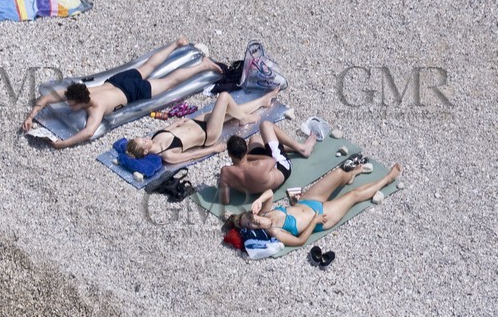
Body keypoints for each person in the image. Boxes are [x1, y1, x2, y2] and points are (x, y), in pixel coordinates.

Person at [20, 39, 223, 148]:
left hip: (132, 91)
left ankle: (203, 65)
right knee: (149, 64)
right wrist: (31, 116)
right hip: (118, 81)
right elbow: (47, 98)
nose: (70, 106)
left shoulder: (96, 107)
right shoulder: (80, 91)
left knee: (170, 82)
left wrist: (63, 144)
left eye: (72, 104)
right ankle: (176, 44)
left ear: (81, 101)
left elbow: (88, 132)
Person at [229, 158, 402, 247]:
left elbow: (269, 193)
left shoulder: (266, 213)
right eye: (251, 224)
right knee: (354, 195)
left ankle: (350, 175)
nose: (254, 220)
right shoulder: (275, 232)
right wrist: (314, 221)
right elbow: (300, 241)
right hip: (320, 217)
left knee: (340, 172)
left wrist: (260, 200)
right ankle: (387, 179)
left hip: (308, 201)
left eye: (250, 217)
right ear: (252, 230)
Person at [123, 90, 283, 166]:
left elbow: (171, 127)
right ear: (145, 152)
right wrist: (213, 149)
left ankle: (263, 101)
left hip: (196, 122)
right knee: (224, 97)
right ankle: (245, 118)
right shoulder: (167, 155)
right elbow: (192, 155)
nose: (146, 138)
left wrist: (178, 122)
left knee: (229, 109)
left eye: (142, 137)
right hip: (208, 134)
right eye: (143, 141)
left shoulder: (155, 138)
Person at [217, 119, 317, 203]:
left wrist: (223, 183)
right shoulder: (260, 165)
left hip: (253, 187)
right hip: (282, 167)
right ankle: (302, 149)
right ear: (246, 150)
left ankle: (286, 147)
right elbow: (272, 160)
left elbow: (225, 201)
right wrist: (247, 157)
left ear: (229, 154)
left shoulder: (225, 172)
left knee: (255, 139)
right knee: (265, 125)